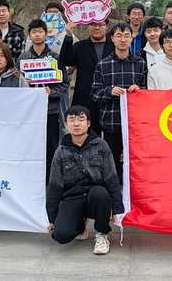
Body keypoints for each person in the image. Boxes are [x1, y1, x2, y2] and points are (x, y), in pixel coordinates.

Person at [46, 105, 124, 255]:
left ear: (88, 123)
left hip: (96, 196)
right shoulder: (61, 151)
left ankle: (102, 233)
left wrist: (117, 209)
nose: (76, 124)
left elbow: (112, 178)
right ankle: (80, 224)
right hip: (73, 197)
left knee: (99, 194)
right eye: (72, 120)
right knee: (61, 235)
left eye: (81, 119)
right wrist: (51, 218)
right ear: (66, 124)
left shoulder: (101, 145)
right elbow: (54, 186)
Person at [91, 22, 147, 179]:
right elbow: (94, 93)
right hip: (111, 121)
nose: (123, 39)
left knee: (134, 162)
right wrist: (109, 92)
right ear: (112, 39)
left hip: (134, 123)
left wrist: (139, 91)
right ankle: (113, 191)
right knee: (111, 162)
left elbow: (148, 91)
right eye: (119, 36)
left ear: (132, 38)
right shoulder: (103, 64)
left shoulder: (140, 64)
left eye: (127, 36)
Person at [17, 19, 70, 183]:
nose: (37, 35)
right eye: (34, 32)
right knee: (29, 144)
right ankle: (30, 178)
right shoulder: (23, 59)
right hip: (28, 112)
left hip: (51, 110)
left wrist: (51, 92)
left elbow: (65, 84)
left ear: (46, 34)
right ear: (29, 35)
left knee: (51, 144)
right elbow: (15, 86)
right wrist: (25, 85)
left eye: (40, 31)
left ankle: (51, 179)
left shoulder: (54, 58)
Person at [58, 18, 114, 135]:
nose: (97, 28)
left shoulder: (115, 46)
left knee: (111, 138)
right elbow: (66, 60)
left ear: (106, 26)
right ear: (88, 26)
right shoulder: (80, 46)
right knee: (85, 136)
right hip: (85, 98)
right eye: (93, 24)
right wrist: (68, 36)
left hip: (110, 97)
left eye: (100, 24)